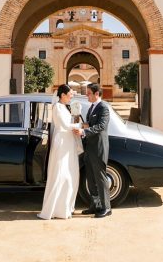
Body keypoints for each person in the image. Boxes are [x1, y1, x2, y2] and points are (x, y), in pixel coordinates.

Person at [37, 84, 82, 220]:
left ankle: (65, 208)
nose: (71, 97)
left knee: (70, 175)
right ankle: (55, 209)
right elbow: (64, 125)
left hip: (68, 142)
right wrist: (80, 126)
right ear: (62, 95)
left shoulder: (65, 107)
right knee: (60, 174)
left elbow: (71, 122)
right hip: (62, 142)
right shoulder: (57, 107)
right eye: (69, 95)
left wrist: (77, 116)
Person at [75, 83, 111, 218]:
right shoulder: (91, 108)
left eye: (89, 93)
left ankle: (106, 207)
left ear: (97, 94)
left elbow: (101, 126)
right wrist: (82, 125)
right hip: (89, 148)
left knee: (100, 178)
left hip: (98, 148)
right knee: (90, 179)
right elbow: (91, 124)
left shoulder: (103, 108)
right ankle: (95, 205)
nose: (86, 95)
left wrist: (84, 130)